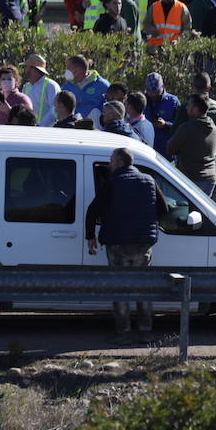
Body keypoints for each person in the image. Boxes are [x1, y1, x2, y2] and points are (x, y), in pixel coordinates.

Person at [86, 146, 169, 341]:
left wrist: (91, 237)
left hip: (117, 244)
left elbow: (92, 210)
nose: (109, 164)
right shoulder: (149, 180)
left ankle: (123, 332)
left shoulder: (113, 182)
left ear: (120, 162)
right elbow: (164, 208)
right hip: (143, 244)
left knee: (120, 288)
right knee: (144, 287)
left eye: (112, 161)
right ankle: (145, 331)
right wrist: (148, 222)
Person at [167, 93, 216, 199]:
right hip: (210, 178)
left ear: (196, 109)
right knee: (204, 212)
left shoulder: (186, 128)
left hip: (192, 179)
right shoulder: (212, 126)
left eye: (189, 105)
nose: (186, 107)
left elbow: (170, 148)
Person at [19, 54, 62, 128]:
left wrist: (40, 126)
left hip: (46, 132)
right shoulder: (26, 87)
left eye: (26, 66)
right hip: (28, 131)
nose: (24, 69)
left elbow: (55, 110)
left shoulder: (51, 86)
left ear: (34, 69)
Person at [61, 55, 109, 120]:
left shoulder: (102, 85)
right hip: (72, 128)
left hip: (95, 128)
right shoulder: (67, 86)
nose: (66, 70)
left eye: (68, 68)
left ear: (77, 70)